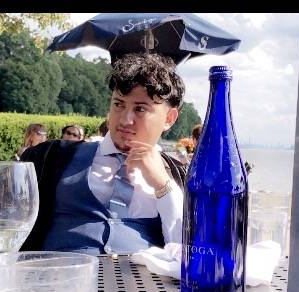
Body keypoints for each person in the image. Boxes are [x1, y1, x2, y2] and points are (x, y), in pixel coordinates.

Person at [20, 53, 187, 255]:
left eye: (140, 109)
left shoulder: (182, 178)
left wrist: (163, 186)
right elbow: (0, 217)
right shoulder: (49, 157)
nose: (125, 120)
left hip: (140, 276)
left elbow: (189, 251)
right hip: (57, 273)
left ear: (169, 118)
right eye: (118, 104)